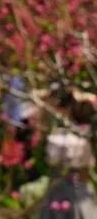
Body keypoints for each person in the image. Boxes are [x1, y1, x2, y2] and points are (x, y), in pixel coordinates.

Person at [37, 84, 97, 219]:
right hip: (81, 190)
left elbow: (53, 162)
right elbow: (85, 171)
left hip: (61, 191)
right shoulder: (86, 138)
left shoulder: (60, 139)